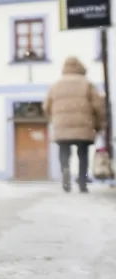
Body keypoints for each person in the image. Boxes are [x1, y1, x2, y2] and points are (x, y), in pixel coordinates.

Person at [44, 56, 106, 193]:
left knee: (64, 154)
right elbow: (99, 106)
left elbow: (46, 106)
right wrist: (99, 123)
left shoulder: (56, 85)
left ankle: (65, 177)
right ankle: (82, 182)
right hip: (84, 126)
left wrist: (53, 119)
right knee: (83, 155)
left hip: (62, 127)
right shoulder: (87, 84)